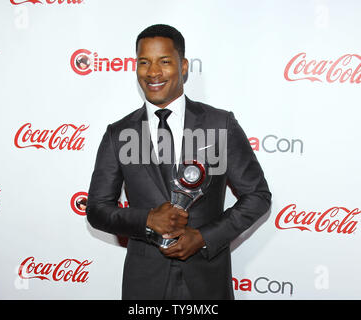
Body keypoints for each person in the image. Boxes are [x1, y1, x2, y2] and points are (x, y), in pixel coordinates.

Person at [86, 24, 271, 300]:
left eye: (164, 61)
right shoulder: (119, 133)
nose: (153, 72)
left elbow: (257, 196)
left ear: (183, 66)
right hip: (144, 285)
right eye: (144, 62)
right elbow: (97, 209)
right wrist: (147, 220)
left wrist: (204, 237)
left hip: (207, 284)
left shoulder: (220, 124)